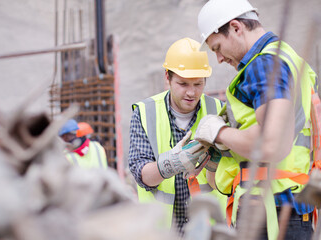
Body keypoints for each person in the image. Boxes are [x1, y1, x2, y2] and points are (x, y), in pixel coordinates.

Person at [195, 0, 317, 239]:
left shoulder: (263, 64)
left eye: (217, 47)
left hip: (271, 210)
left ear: (236, 28)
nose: (218, 58)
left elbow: (273, 143)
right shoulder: (286, 57)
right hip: (286, 207)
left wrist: (219, 132)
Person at [128, 37, 228, 236]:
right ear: (168, 77)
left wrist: (215, 166)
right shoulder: (145, 112)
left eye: (198, 84)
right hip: (161, 230)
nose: (191, 92)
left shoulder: (218, 111)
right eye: (183, 84)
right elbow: (141, 174)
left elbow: (228, 180)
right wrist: (171, 163)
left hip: (208, 229)